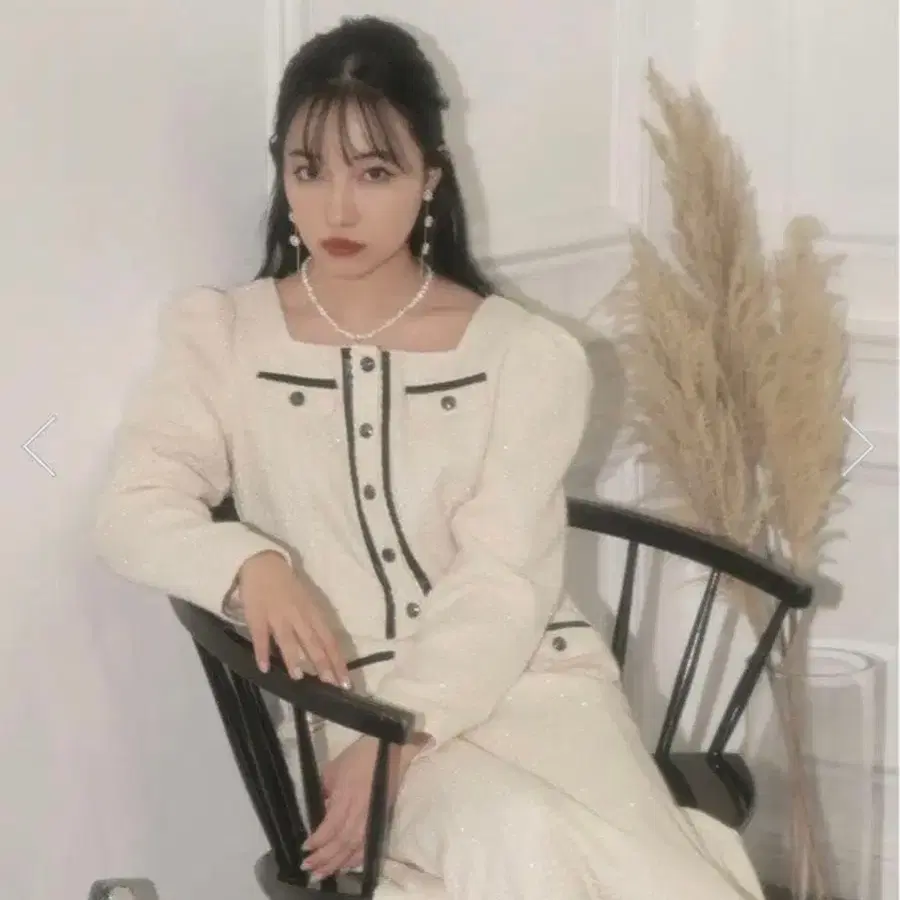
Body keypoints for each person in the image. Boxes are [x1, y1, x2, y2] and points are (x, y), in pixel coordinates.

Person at [94, 15, 767, 900]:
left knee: (647, 876)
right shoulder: (224, 335)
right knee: (517, 841)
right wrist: (248, 564)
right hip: (346, 705)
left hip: (533, 682)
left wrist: (403, 734)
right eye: (309, 170)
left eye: (375, 172)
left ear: (430, 180)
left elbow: (505, 577)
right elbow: (132, 507)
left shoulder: (525, 355)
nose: (338, 208)